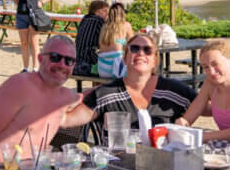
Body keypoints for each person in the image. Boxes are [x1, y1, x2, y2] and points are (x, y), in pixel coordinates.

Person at [0, 35, 81, 166]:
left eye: (69, 61)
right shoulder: (20, 84)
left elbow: (86, 105)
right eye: (55, 57)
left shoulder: (65, 96)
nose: (62, 65)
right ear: (40, 58)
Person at [66, 32, 197, 137]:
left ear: (155, 61)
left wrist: (212, 83)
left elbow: (212, 108)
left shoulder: (174, 91)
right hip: (118, 167)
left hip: (165, 165)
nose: (141, 53)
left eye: (147, 50)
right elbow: (67, 120)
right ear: (124, 58)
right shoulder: (106, 93)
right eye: (134, 48)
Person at [177, 40, 230, 143]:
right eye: (206, 67)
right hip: (228, 150)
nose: (211, 72)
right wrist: (181, 123)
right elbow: (188, 118)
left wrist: (198, 136)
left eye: (215, 64)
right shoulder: (210, 84)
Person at [12, 0, 55, 74]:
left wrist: (42, 2)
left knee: (34, 42)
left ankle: (35, 68)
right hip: (21, 15)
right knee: (24, 43)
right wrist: (20, 5)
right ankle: (26, 68)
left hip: (34, 15)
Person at [96, 2, 133, 78]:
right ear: (123, 13)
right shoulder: (126, 25)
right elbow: (133, 44)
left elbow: (100, 45)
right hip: (116, 70)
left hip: (102, 69)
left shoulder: (104, 27)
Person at [73, 0, 109, 76]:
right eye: (105, 11)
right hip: (88, 63)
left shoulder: (84, 19)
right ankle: (99, 87)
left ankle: (96, 87)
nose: (107, 14)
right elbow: (105, 43)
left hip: (77, 62)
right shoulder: (99, 21)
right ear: (97, 12)